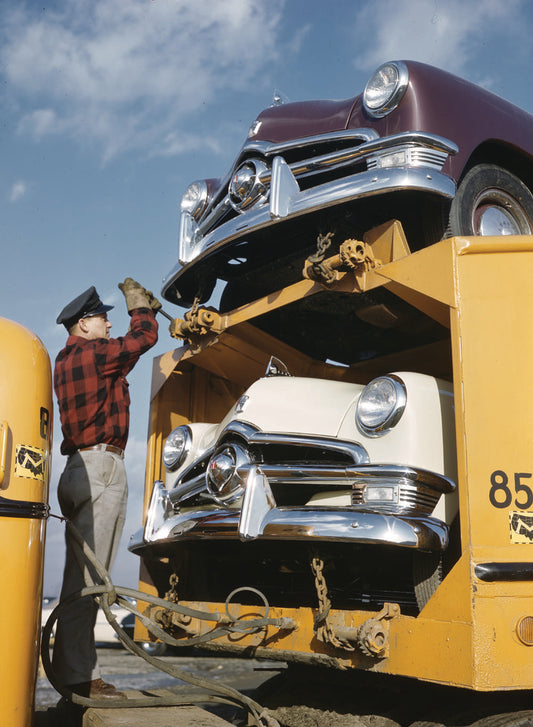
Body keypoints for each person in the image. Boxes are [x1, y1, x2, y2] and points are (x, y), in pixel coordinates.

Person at [51, 279, 159, 699]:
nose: (109, 323)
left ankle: (72, 672)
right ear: (83, 325)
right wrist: (140, 309)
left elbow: (120, 361)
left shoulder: (69, 359)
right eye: (102, 318)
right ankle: (79, 678)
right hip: (101, 468)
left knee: (79, 579)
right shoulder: (96, 354)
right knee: (91, 582)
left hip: (77, 468)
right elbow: (144, 337)